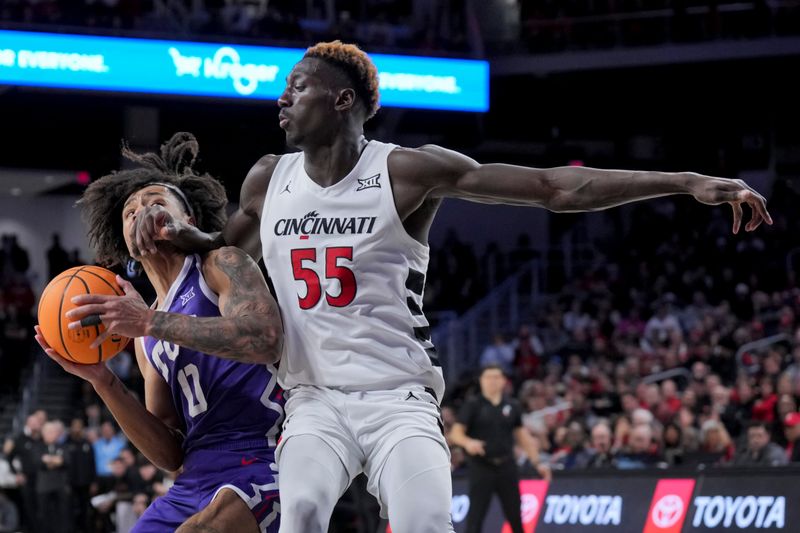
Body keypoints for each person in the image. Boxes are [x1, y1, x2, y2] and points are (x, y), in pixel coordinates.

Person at [128, 41, 772, 532]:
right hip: (313, 400)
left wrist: (686, 181)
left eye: (297, 88)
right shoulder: (269, 177)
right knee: (298, 508)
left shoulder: (407, 171)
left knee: (425, 522)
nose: (282, 99)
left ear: (342, 100)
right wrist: (175, 226)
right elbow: (219, 252)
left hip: (397, 395)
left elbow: (555, 188)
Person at [34, 133, 285, 533]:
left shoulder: (219, 265)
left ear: (189, 221)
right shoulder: (144, 331)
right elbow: (169, 452)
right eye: (130, 210)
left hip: (263, 458)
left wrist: (150, 323)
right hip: (192, 480)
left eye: (155, 201)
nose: (141, 211)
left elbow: (264, 337)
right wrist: (103, 380)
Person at [450, 364, 549, 533]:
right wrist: (468, 443)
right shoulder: (473, 405)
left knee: (515, 516)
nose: (492, 381)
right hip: (481, 466)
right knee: (475, 517)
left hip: (506, 465)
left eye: (496, 377)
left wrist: (538, 462)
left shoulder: (512, 405)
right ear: (481, 381)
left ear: (504, 381)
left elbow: (522, 436)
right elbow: (455, 434)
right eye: (488, 377)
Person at [33, 421, 70, 533]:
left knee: (62, 514)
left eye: (54, 431)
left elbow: (66, 461)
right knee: (43, 515)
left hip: (60, 485)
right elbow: (37, 461)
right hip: (44, 487)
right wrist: (56, 461)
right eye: (50, 431)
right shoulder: (38, 446)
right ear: (43, 433)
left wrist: (49, 460)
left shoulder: (63, 446)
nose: (53, 434)